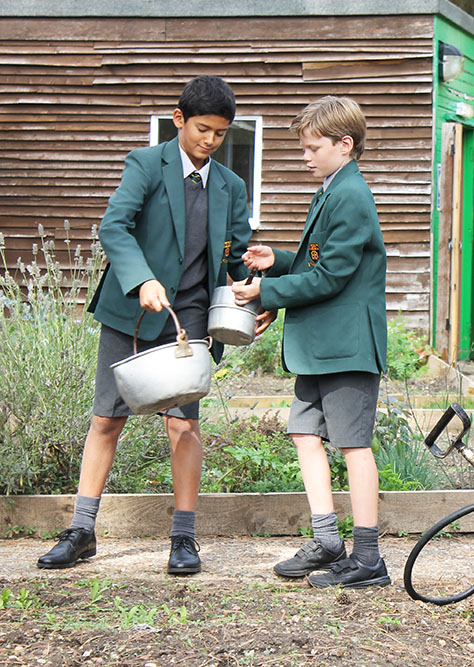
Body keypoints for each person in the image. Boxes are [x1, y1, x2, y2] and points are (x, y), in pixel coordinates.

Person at [37, 75, 252, 574]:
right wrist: (142, 280)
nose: (211, 141)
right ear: (178, 120)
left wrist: (252, 296)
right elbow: (114, 225)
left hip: (190, 320)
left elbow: (235, 253)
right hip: (130, 312)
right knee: (107, 421)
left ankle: (183, 538)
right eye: (203, 129)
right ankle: (82, 531)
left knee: (183, 425)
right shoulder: (144, 164)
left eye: (221, 133)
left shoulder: (231, 186)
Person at [232, 96, 390, 590]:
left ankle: (368, 558)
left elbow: (332, 277)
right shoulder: (331, 189)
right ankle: (327, 540)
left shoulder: (351, 196)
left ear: (345, 145)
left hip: (345, 346)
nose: (305, 155)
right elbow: (318, 262)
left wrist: (265, 291)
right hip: (322, 344)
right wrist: (276, 261)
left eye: (312, 147)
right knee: (304, 433)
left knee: (353, 446)